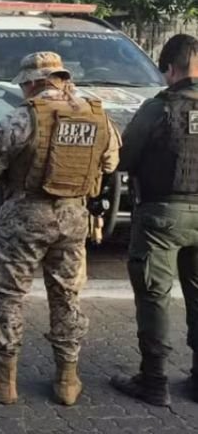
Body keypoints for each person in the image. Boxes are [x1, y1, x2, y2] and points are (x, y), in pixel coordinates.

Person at [0, 52, 120, 406]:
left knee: (9, 294)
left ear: (34, 82)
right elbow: (111, 162)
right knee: (67, 295)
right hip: (74, 217)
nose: (23, 91)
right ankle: (67, 379)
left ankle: (3, 377)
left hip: (25, 215)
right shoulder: (98, 116)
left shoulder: (22, 117)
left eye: (24, 85)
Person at [112, 34, 198, 406]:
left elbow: (124, 157)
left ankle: (154, 380)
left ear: (169, 69)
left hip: (163, 214)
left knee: (154, 296)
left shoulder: (159, 107)